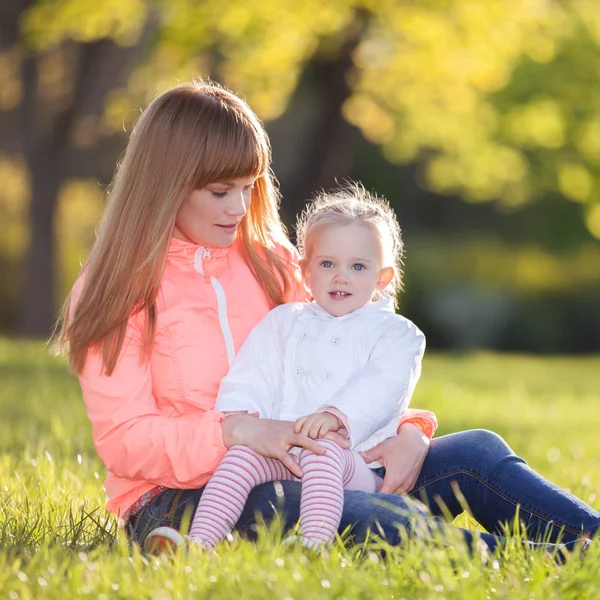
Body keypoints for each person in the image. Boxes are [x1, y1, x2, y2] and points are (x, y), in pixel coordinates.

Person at [54, 81, 599, 558]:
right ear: (165, 185)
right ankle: (549, 561)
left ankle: (589, 540)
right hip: (184, 497)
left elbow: (350, 349)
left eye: (249, 187)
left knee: (476, 451)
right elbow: (125, 441)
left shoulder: (270, 262)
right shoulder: (117, 292)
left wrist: (410, 430)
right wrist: (238, 432)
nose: (239, 208)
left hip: (326, 462)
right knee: (350, 513)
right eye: (221, 192)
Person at [142, 186, 427, 551]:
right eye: (327, 264)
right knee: (241, 458)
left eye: (358, 267)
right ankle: (198, 544)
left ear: (382, 278)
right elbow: (253, 371)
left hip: (352, 461)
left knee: (324, 453)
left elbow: (385, 387)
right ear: (307, 273)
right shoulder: (283, 321)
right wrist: (243, 416)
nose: (341, 277)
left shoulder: (397, 334)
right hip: (285, 451)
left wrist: (337, 416)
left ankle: (313, 545)